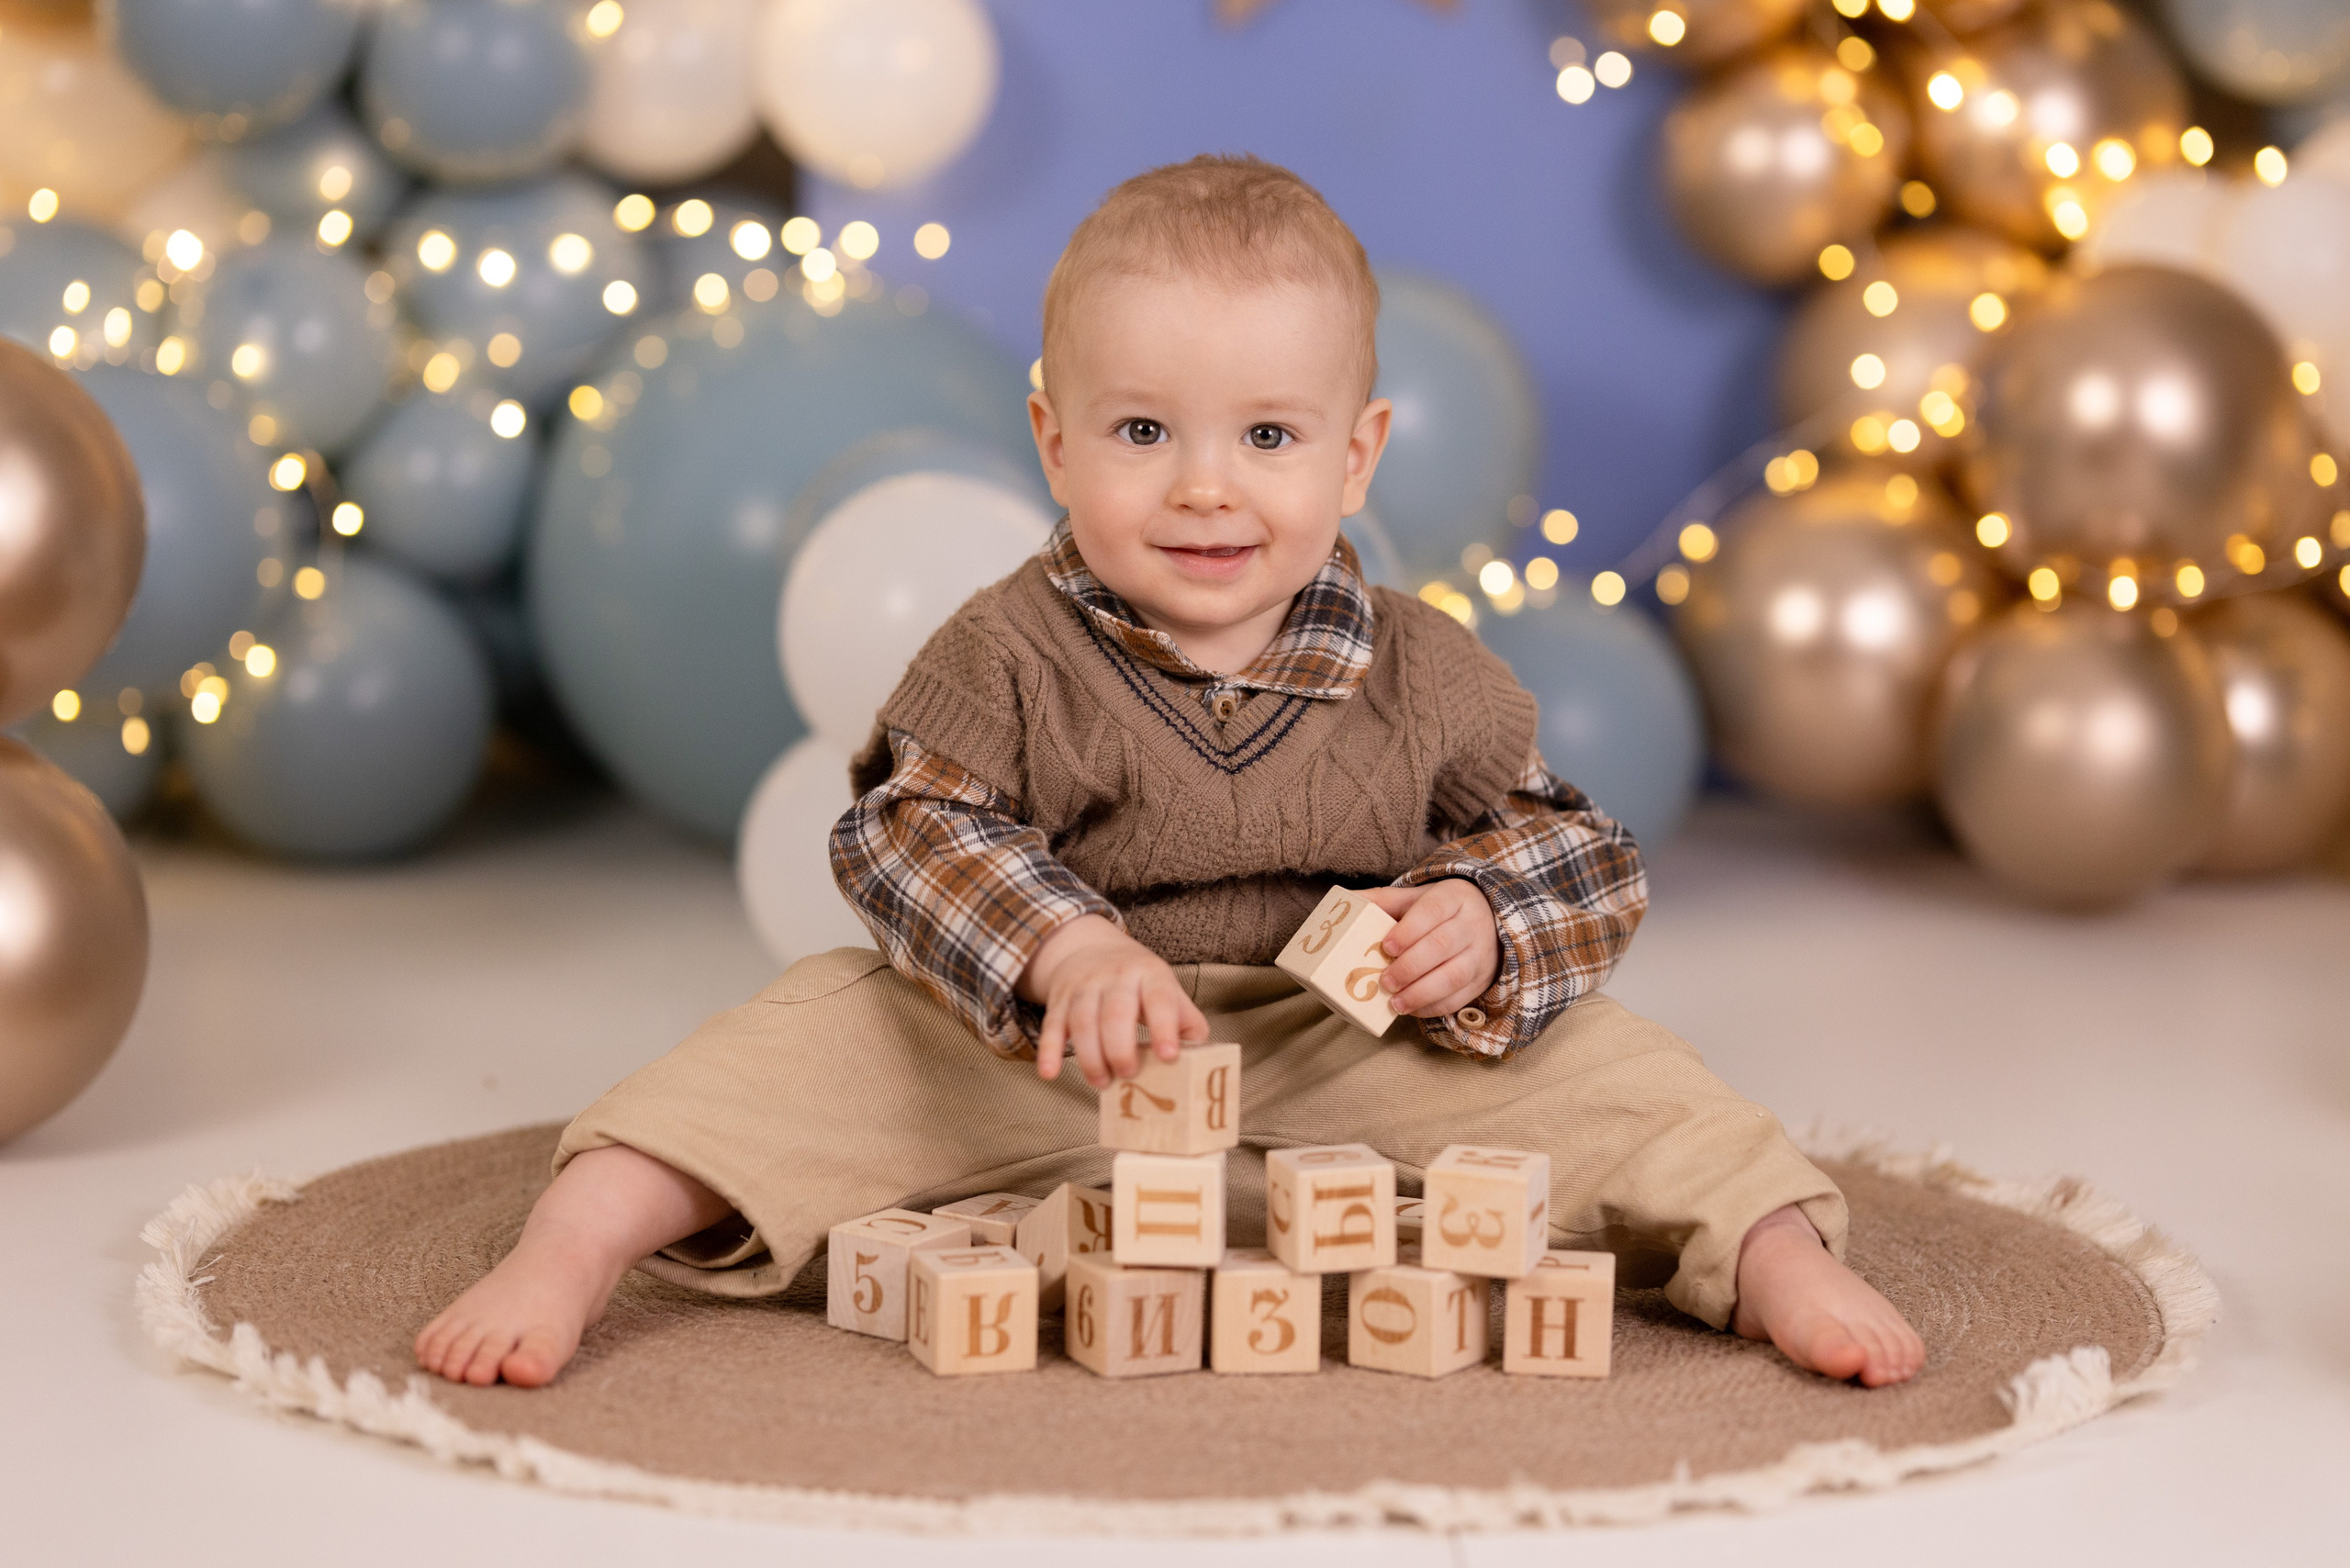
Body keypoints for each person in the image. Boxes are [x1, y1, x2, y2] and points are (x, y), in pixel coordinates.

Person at [416, 154, 1925, 1391]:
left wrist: (1482, 917)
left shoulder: (1426, 669)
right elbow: (901, 832)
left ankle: (1781, 1262)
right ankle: (575, 1244)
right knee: (792, 1045)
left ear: (1355, 457)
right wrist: (1063, 944)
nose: (1205, 485)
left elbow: (1578, 848)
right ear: (1053, 443)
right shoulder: (1004, 648)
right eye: (1144, 430)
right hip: (1046, 1050)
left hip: (1344, 1043)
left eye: (1268, 435)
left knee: (1630, 1082)